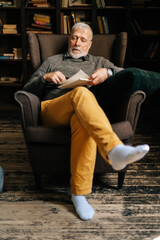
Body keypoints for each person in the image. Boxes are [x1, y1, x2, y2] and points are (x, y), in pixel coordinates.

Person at [23, 23, 150, 221]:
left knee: (83, 121)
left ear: (90, 45)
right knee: (81, 92)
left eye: (83, 40)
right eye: (74, 38)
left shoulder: (99, 61)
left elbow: (124, 73)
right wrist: (45, 78)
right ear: (69, 39)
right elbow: (27, 89)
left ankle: (79, 194)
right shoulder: (52, 60)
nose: (77, 42)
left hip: (83, 114)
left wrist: (107, 73)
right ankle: (113, 148)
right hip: (53, 110)